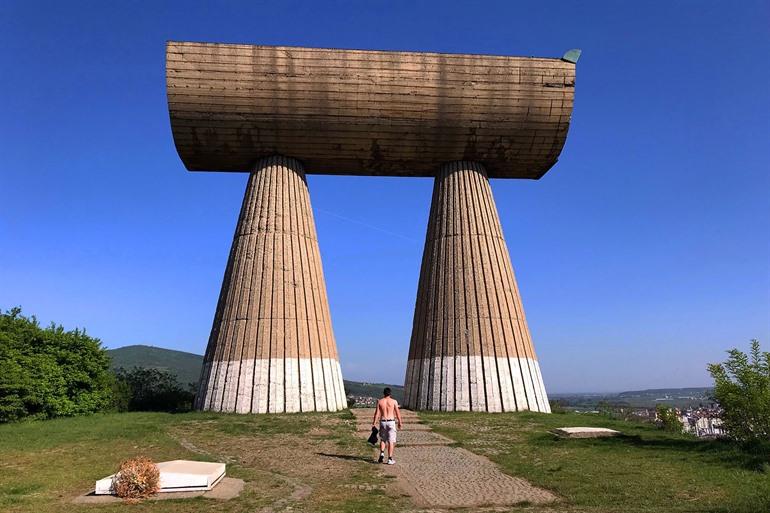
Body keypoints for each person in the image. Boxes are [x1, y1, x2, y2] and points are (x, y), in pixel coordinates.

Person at [372, 387, 403, 464]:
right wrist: (400, 422)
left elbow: (377, 413)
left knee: (383, 439)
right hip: (391, 421)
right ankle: (390, 459)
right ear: (390, 393)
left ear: (384, 393)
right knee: (391, 441)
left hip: (383, 421)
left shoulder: (380, 401)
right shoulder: (394, 401)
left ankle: (382, 453)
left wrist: (374, 423)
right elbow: (397, 413)